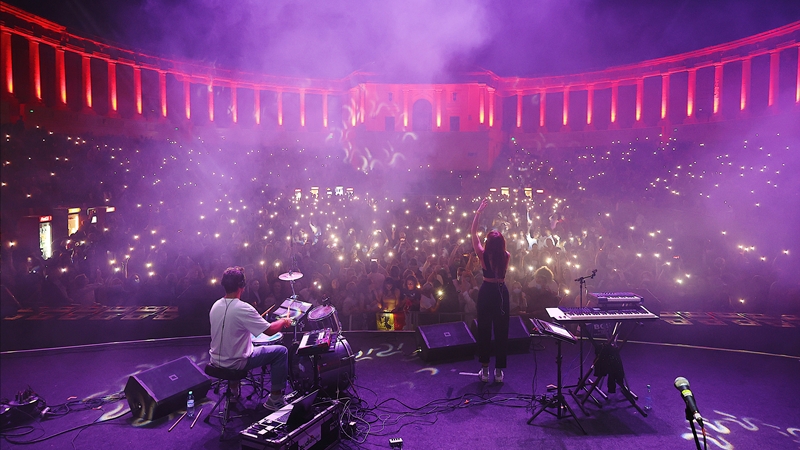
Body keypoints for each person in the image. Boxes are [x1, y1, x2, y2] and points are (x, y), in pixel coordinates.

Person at [209, 266, 293, 410]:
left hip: (215, 361)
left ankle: (233, 392)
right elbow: (270, 331)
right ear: (242, 286)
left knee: (237, 347)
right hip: (236, 363)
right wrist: (283, 321)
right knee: (281, 352)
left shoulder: (215, 305)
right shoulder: (243, 308)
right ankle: (275, 399)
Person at [472, 198, 510, 383]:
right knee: (502, 331)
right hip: (501, 292)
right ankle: (499, 372)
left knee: (485, 329)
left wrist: (478, 212)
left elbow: (473, 233)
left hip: (487, 291)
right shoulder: (506, 256)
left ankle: (485, 370)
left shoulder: (482, 254)